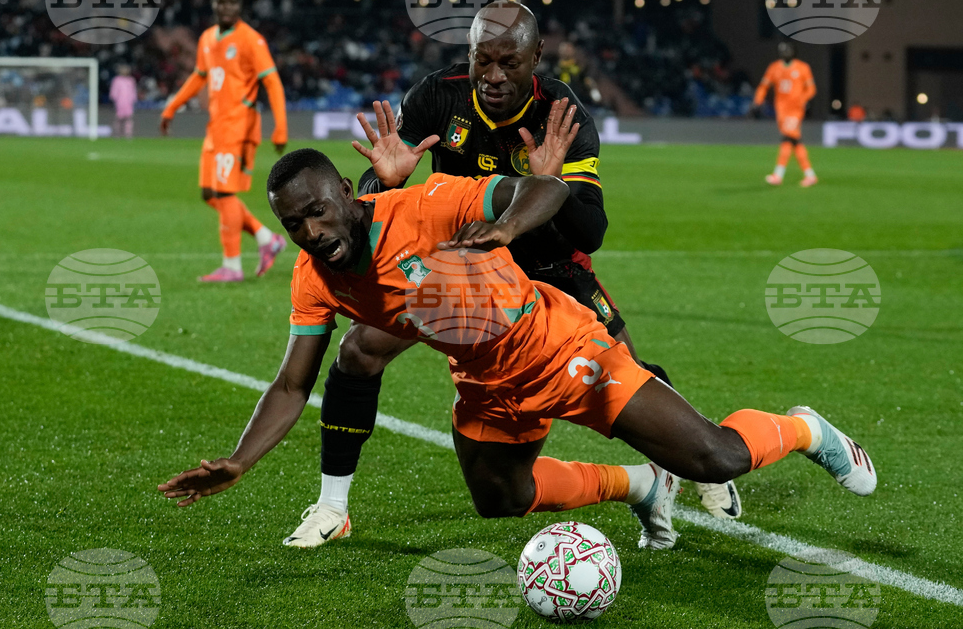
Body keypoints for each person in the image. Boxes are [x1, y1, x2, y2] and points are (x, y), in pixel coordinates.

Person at [157, 145, 877, 554]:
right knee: (500, 501)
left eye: (318, 211)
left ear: (347, 193)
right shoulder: (315, 279)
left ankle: (808, 428)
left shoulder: (429, 205)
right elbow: (291, 385)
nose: (311, 232)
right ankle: (637, 485)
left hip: (563, 350)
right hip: (486, 386)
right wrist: (239, 462)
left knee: (717, 457)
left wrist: (504, 229)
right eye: (293, 224)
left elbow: (544, 188)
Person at [293, 2, 740, 548]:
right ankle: (332, 507)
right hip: (465, 275)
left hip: (549, 267)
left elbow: (591, 230)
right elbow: (368, 198)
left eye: (509, 61)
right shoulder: (438, 95)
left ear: (536, 57)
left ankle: (701, 471)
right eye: (484, 60)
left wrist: (552, 184)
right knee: (358, 354)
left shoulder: (561, 113)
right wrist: (382, 182)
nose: (494, 75)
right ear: (470, 56)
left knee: (627, 369)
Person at [160, 0, 288, 282]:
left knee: (224, 192)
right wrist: (172, 106)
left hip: (239, 126)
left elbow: (271, 81)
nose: (225, 6)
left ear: (240, 5)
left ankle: (232, 267)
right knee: (209, 193)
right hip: (216, 126)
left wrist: (280, 125)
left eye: (231, 1)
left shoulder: (250, 40)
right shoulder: (207, 38)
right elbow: (199, 76)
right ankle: (266, 238)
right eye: (220, 0)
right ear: (213, 3)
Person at [753, 42, 818, 188]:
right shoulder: (774, 67)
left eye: (788, 50)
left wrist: (802, 99)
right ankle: (810, 175)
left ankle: (778, 174)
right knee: (793, 140)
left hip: (795, 110)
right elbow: (764, 85)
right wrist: (758, 99)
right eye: (782, 51)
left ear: (794, 52)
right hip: (781, 110)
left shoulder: (802, 67)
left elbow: (811, 89)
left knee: (788, 137)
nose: (785, 53)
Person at [109, 64, 137, 139]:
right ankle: (117, 134)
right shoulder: (117, 80)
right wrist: (114, 99)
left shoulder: (131, 80)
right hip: (120, 102)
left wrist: (133, 99)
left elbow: (133, 91)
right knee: (119, 118)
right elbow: (114, 91)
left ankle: (128, 134)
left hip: (128, 102)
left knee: (128, 118)